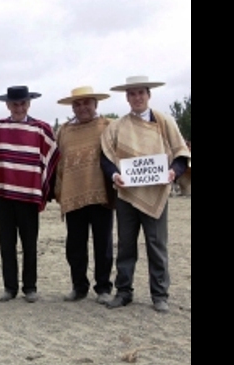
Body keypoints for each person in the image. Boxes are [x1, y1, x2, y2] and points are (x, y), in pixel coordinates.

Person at [100, 76, 191, 313]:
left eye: (141, 93)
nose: (137, 98)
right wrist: (114, 176)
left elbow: (181, 154)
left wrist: (173, 171)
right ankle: (123, 291)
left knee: (157, 244)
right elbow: (106, 157)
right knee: (126, 245)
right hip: (126, 195)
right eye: (132, 94)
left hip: (156, 193)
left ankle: (160, 294)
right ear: (127, 97)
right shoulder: (117, 126)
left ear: (148, 95)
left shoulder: (165, 121)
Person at [0, 85, 60, 303]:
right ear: (7, 105)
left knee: (30, 243)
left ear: (29, 103)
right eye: (14, 104)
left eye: (22, 103)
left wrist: (46, 188)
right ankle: (9, 287)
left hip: (29, 195)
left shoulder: (41, 129)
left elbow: (53, 155)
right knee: (6, 242)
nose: (19, 107)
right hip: (2, 195)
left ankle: (30, 287)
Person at [54, 86, 115, 304]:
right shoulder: (64, 131)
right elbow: (57, 162)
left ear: (95, 104)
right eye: (77, 104)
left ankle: (103, 288)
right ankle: (78, 286)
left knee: (103, 245)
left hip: (101, 195)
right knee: (75, 246)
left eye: (86, 103)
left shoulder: (108, 126)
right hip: (73, 195)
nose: (82, 108)